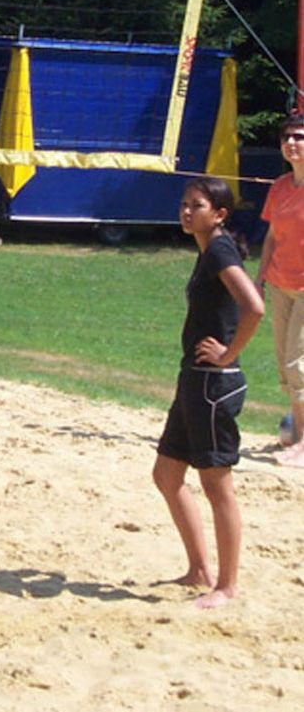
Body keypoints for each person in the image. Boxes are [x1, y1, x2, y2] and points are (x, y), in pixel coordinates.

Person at [152, 176, 262, 610]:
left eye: (195, 205)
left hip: (213, 384)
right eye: (184, 203)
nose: (186, 210)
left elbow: (254, 305)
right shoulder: (207, 249)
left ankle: (228, 586)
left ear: (218, 215)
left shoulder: (218, 248)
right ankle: (199, 570)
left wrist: (227, 353)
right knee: (166, 475)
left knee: (218, 486)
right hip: (193, 380)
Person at [255, 111, 304, 467]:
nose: (292, 143)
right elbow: (272, 237)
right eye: (287, 137)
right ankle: (299, 434)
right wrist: (257, 281)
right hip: (280, 285)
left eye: (299, 137)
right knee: (284, 367)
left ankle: (303, 441)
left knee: (298, 363)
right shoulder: (281, 187)